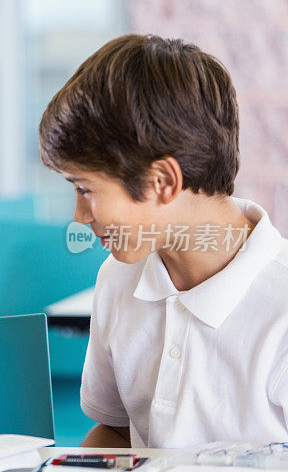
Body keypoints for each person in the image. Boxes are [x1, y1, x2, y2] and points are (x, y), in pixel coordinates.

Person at [38, 34, 288, 448]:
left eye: (85, 190)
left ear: (163, 181)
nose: (79, 217)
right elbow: (116, 430)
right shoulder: (119, 280)